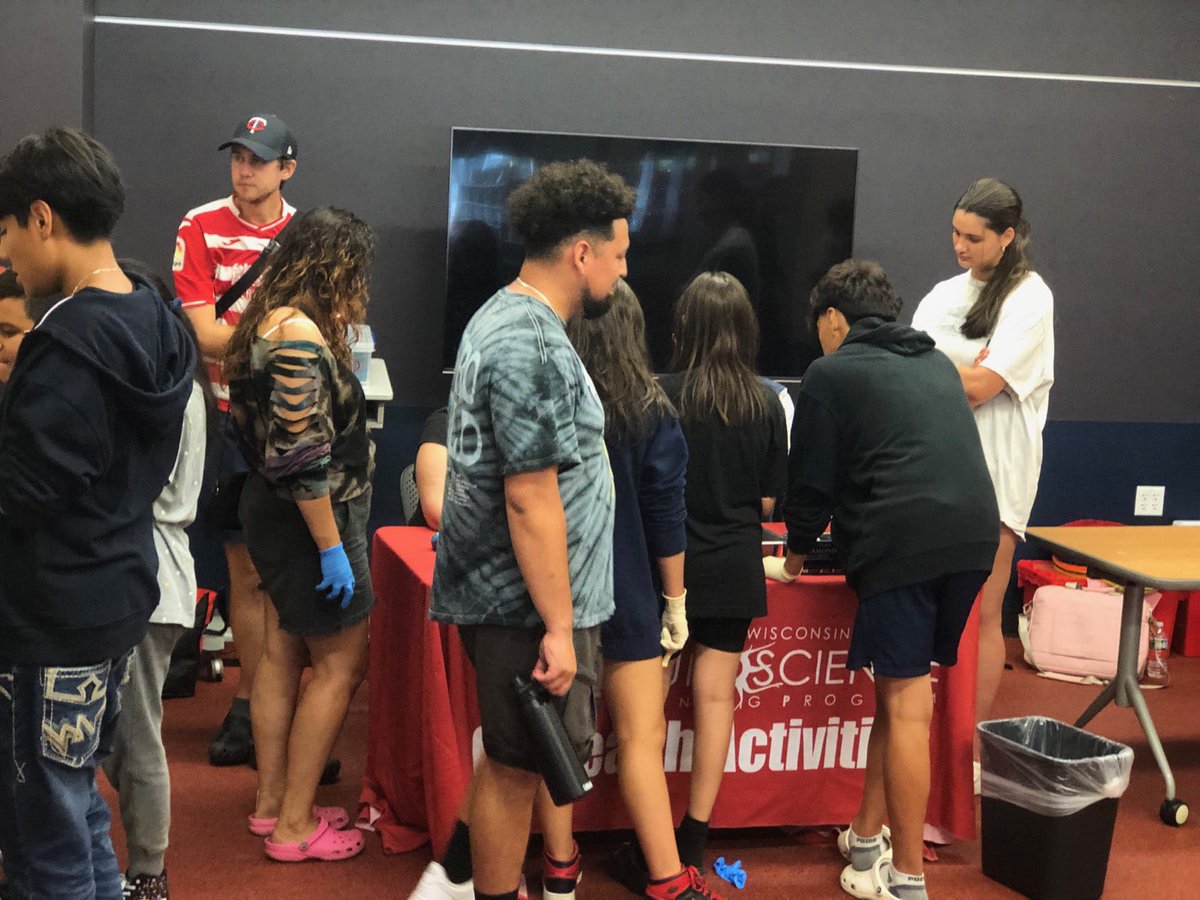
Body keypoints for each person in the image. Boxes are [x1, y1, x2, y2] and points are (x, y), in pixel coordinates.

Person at [422, 159, 629, 900]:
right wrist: (559, 625)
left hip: (513, 599)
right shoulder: (531, 343)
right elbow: (530, 496)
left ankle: (449, 876)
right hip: (521, 604)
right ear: (581, 253)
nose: (621, 268)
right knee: (516, 772)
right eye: (618, 253)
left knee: (507, 754)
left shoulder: (510, 318)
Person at [0, 126, 196, 900]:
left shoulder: (69, 343)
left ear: (43, 217)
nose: (8, 255)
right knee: (75, 807)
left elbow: (25, 492)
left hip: (51, 620)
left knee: (42, 838)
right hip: (112, 600)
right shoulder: (150, 312)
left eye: (9, 231)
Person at [765, 259, 999, 900]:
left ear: (834, 319)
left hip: (906, 544)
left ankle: (906, 880)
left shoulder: (830, 373)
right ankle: (866, 837)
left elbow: (808, 483)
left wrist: (794, 558)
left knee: (904, 706)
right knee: (902, 698)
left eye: (819, 327)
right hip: (975, 538)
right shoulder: (935, 364)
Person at [550, 279, 723, 898]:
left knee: (557, 744)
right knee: (642, 744)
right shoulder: (651, 410)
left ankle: (560, 869)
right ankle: (667, 879)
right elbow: (665, 516)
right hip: (630, 596)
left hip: (558, 596)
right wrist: (675, 602)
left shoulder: (554, 397)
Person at [224, 207, 377, 862]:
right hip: (308, 521)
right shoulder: (298, 336)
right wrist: (333, 549)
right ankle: (294, 827)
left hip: (273, 512)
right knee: (341, 664)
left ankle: (270, 805)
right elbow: (301, 458)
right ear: (332, 267)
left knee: (283, 655)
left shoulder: (268, 319)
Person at [173, 113, 300, 769]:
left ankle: (274, 704)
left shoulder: (307, 237)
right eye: (237, 157)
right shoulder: (199, 225)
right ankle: (251, 704)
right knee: (245, 578)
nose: (243, 168)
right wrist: (283, 338)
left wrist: (255, 339)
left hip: (296, 425)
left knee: (286, 580)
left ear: (287, 168)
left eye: (258, 158)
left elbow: (330, 333)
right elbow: (200, 333)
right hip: (231, 421)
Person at [910, 179, 1054, 756]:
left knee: (981, 612)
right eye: (955, 233)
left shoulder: (1031, 298)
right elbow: (919, 379)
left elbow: (977, 387)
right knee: (925, 610)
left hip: (998, 477)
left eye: (973, 237)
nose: (960, 246)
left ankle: (963, 755)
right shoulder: (943, 294)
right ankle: (919, 745)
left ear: (1007, 237)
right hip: (932, 468)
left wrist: (927, 356)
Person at [659, 271, 788, 870]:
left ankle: (650, 838)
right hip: (736, 565)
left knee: (645, 711)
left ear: (685, 326)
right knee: (715, 702)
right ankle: (694, 840)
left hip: (668, 568)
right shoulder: (766, 402)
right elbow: (769, 503)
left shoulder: (661, 394)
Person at [99, 260, 210, 900]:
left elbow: (135, 490)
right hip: (150, 575)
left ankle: (148, 877)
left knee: (135, 741)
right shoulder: (173, 383)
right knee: (118, 739)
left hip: (148, 576)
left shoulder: (163, 389)